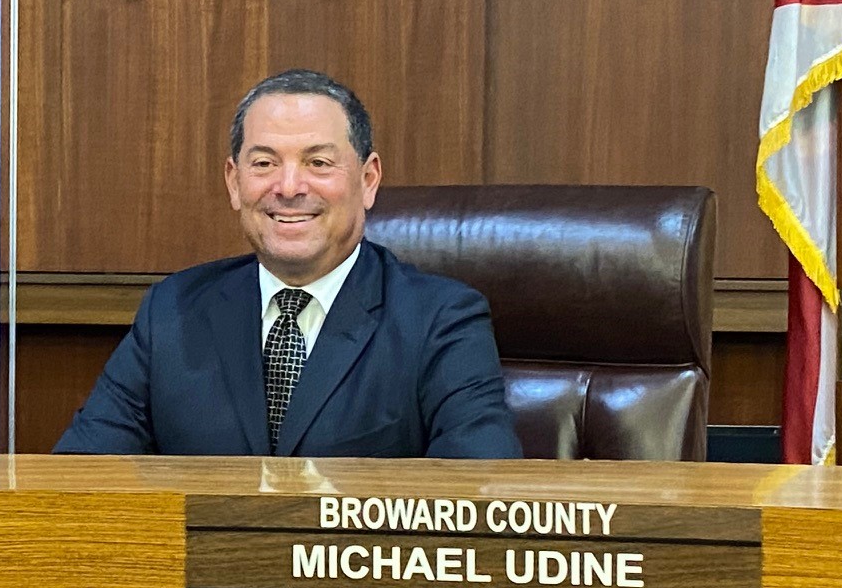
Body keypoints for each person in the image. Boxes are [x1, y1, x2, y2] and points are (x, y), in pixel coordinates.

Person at [55, 69, 520, 458]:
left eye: (318, 163)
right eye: (264, 164)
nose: (289, 187)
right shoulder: (172, 311)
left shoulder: (440, 320)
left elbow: (478, 500)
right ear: (234, 182)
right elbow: (80, 479)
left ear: (368, 180)